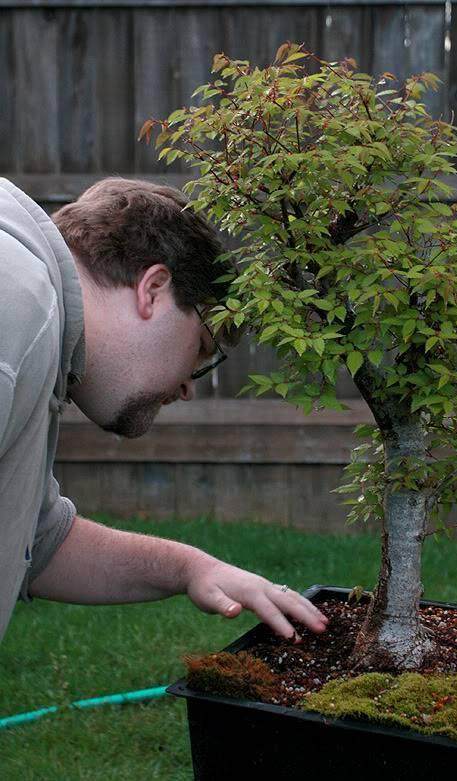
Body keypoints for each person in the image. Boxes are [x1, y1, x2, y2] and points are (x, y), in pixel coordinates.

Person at [0, 176, 329, 644]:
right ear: (153, 289)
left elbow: (36, 541)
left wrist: (192, 569)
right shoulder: (17, 313)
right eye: (200, 347)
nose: (186, 388)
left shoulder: (38, 326)